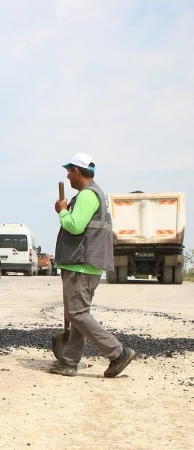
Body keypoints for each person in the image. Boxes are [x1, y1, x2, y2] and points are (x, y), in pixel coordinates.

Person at [48, 152, 136, 378]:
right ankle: (69, 362)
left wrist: (62, 211)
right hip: (86, 264)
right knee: (79, 316)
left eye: (69, 171)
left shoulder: (88, 195)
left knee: (76, 313)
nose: (67, 176)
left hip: (81, 265)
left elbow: (75, 226)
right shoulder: (94, 194)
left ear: (77, 171)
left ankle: (118, 353)